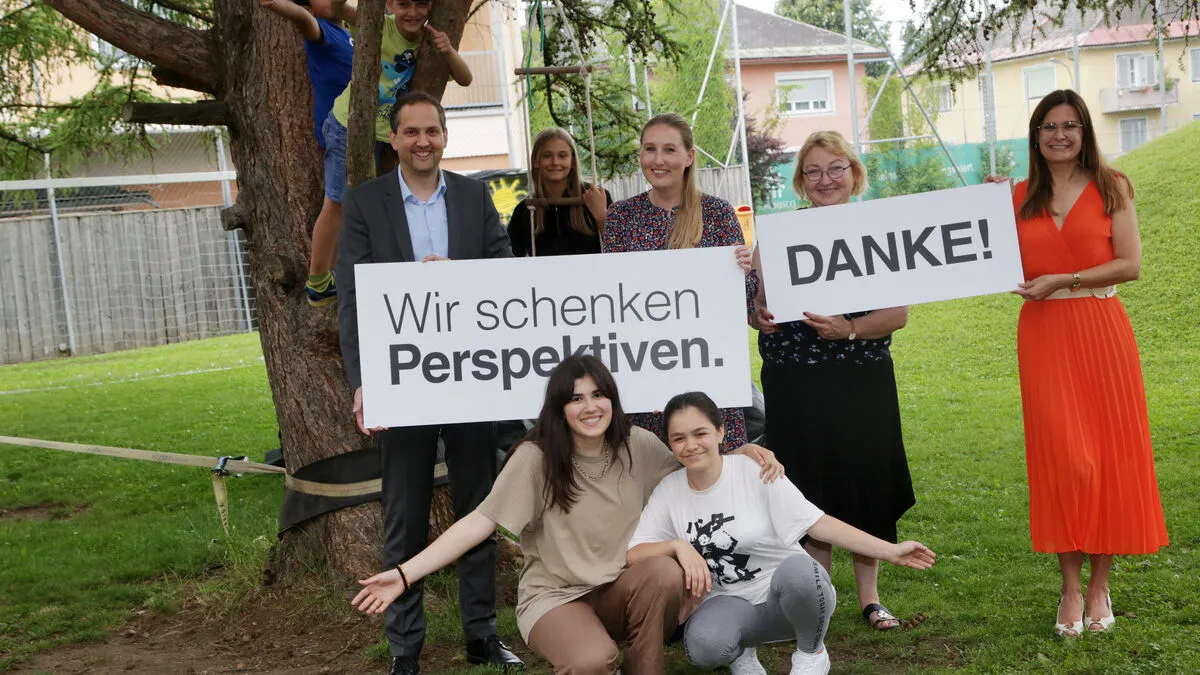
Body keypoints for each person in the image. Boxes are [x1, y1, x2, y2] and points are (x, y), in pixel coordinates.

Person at [351, 355, 785, 674]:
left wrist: (740, 455)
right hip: (556, 597)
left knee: (663, 572)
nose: (590, 406)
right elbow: (479, 522)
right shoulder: (535, 458)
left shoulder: (638, 445)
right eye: (576, 399)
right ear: (560, 408)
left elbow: (697, 475)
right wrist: (405, 574)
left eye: (599, 395)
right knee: (592, 661)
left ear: (613, 399)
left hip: (622, 587)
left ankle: (644, 668)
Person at [336, 92, 517, 675]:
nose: (422, 141)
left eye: (431, 131)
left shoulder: (472, 195)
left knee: (479, 509)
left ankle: (481, 636)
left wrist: (456, 279)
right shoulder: (365, 203)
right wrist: (363, 382)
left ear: (445, 136)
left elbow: (504, 272)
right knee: (404, 515)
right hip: (401, 382)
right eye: (410, 132)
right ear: (394, 139)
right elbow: (353, 298)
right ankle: (405, 650)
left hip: (468, 378)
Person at [990, 89, 1168, 637]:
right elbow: (984, 256)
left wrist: (1064, 280)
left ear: (1085, 132)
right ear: (1035, 135)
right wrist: (986, 208)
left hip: (1101, 332)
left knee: (1108, 459)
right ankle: (1069, 584)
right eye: (1048, 126)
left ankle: (1099, 585)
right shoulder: (1016, 196)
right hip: (1044, 338)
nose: (1059, 135)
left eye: (1070, 125)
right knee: (1066, 461)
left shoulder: (1113, 188)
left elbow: (1130, 265)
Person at [628, 392, 935, 675]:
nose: (690, 445)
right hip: (730, 604)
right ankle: (741, 652)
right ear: (669, 444)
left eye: (700, 433)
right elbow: (634, 552)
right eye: (678, 438)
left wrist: (890, 550)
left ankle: (810, 653)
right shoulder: (670, 490)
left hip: (786, 598)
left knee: (801, 572)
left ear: (721, 432)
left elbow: (817, 523)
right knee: (704, 649)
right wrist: (678, 545)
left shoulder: (754, 470)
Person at [750, 130, 915, 632]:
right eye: (814, 171)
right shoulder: (778, 235)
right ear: (801, 181)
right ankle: (821, 598)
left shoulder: (879, 230)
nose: (826, 179)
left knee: (864, 483)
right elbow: (755, 305)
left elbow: (898, 314)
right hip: (795, 385)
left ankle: (871, 599)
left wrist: (848, 330)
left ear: (853, 173)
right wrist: (757, 314)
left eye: (836, 168)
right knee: (807, 486)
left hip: (859, 380)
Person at [602, 112, 756, 451]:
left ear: (689, 157)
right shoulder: (621, 217)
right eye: (649, 149)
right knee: (654, 476)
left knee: (715, 473)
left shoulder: (717, 213)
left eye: (669, 150)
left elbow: (744, 304)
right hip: (646, 370)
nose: (658, 160)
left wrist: (743, 273)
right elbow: (612, 300)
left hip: (708, 370)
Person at [307, 0, 474, 306]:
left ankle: (344, 272)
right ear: (388, 5)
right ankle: (318, 280)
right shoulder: (375, 25)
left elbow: (465, 78)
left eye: (421, 4)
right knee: (338, 201)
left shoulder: (429, 39)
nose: (413, 12)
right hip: (349, 124)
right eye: (404, 4)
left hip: (387, 136)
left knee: (377, 203)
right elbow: (334, 8)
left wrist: (448, 51)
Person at [258, 0, 353, 151]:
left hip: (363, 125)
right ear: (308, 9)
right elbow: (302, 18)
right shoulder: (322, 30)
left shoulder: (353, 32)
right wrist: (272, 3)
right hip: (340, 132)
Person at [508, 128, 611, 257]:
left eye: (562, 156)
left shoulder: (597, 197)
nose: (555, 162)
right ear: (535, 161)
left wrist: (602, 216)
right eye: (547, 156)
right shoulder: (525, 210)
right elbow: (511, 258)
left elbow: (621, 248)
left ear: (572, 161)